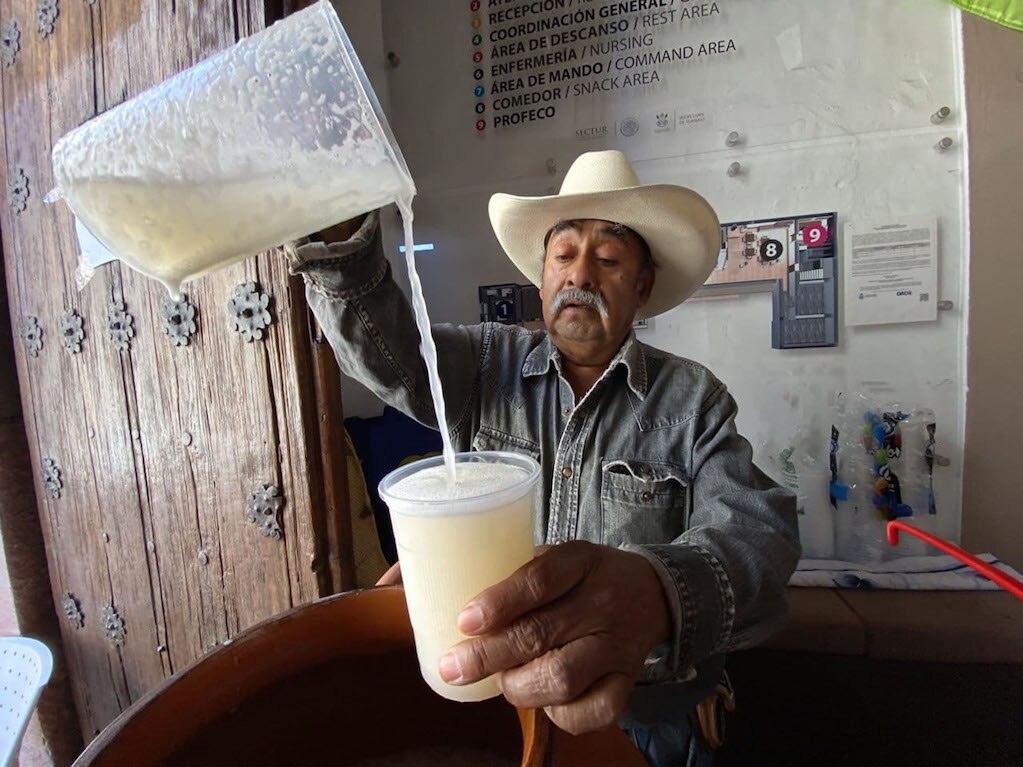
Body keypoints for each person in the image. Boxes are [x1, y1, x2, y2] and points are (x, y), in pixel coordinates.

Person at [287, 150, 799, 766]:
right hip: (505, 705)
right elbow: (392, 362)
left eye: (608, 259)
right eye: (563, 255)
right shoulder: (484, 365)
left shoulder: (694, 400)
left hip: (649, 722)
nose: (581, 273)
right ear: (543, 279)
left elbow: (758, 531)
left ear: (641, 288)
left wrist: (660, 594)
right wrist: (341, 241)